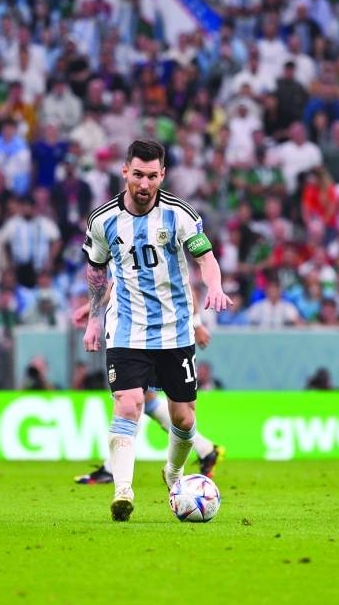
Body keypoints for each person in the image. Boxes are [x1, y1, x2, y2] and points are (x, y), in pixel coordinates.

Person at [81, 139, 232, 522]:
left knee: (183, 418)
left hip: (174, 331)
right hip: (127, 327)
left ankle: (174, 473)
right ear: (125, 173)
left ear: (162, 175)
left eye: (152, 176)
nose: (144, 184)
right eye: (137, 175)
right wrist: (96, 319)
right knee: (128, 403)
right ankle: (123, 492)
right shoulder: (102, 221)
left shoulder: (179, 215)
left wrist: (214, 285)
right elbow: (97, 272)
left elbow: (206, 258)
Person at [70, 294, 224, 484]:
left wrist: (197, 322)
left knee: (133, 402)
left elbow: (185, 284)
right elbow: (116, 281)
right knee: (143, 401)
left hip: (157, 337)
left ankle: (113, 468)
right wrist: (92, 307)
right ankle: (205, 449)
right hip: (136, 335)